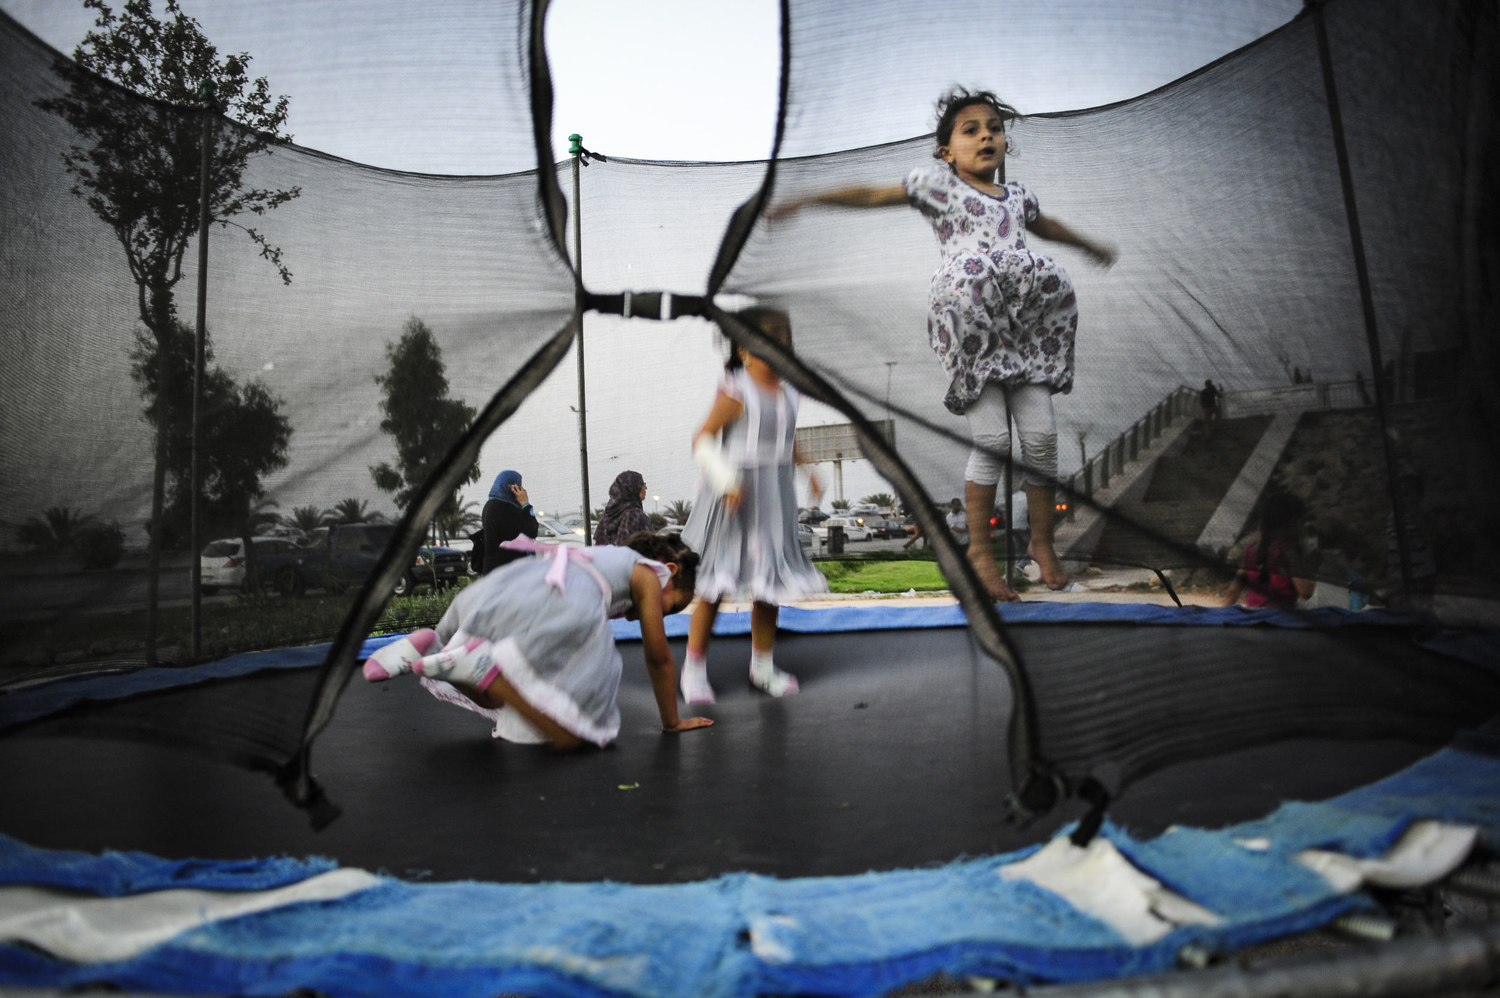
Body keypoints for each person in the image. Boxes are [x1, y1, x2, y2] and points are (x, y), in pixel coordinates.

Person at [770, 87, 1115, 601]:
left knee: (1041, 439)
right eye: (971, 130)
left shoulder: (1018, 197)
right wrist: (809, 199)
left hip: (1022, 331)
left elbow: (1049, 226)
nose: (986, 136)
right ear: (946, 151)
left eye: (994, 129)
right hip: (975, 327)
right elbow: (871, 194)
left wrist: (1087, 245)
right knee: (995, 441)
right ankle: (978, 552)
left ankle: (1042, 543)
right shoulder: (941, 188)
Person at [362, 532, 712, 750]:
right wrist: (672, 722)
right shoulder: (651, 575)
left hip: (521, 585)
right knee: (578, 731)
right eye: (674, 606)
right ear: (671, 570)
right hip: (565, 604)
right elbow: (658, 656)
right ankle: (473, 665)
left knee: (497, 695)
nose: (664, 615)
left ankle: (435, 651)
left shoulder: (610, 558)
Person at [679, 306, 827, 703]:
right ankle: (693, 669)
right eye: (771, 341)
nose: (782, 347)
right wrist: (725, 479)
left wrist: (807, 469)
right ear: (744, 347)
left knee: (769, 585)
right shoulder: (736, 390)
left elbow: (786, 437)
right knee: (716, 585)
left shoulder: (791, 392)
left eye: (786, 339)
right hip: (735, 495)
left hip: (774, 496)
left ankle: (762, 667)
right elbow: (703, 439)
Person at [1222, 492, 1315, 609]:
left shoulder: (1251, 550)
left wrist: (1221, 617)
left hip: (1254, 618)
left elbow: (1233, 592)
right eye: (1301, 520)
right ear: (1292, 522)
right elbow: (1306, 592)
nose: (1303, 525)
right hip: (1280, 621)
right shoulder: (1289, 553)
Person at [482, 469, 538, 573]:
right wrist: (526, 504)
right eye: (519, 486)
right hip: (509, 571)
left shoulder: (490, 506)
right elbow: (532, 531)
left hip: (496, 569)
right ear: (512, 488)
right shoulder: (504, 509)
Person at [594, 470, 654, 546]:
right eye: (642, 484)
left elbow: (599, 546)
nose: (645, 488)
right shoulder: (633, 515)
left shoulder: (609, 515)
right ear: (632, 488)